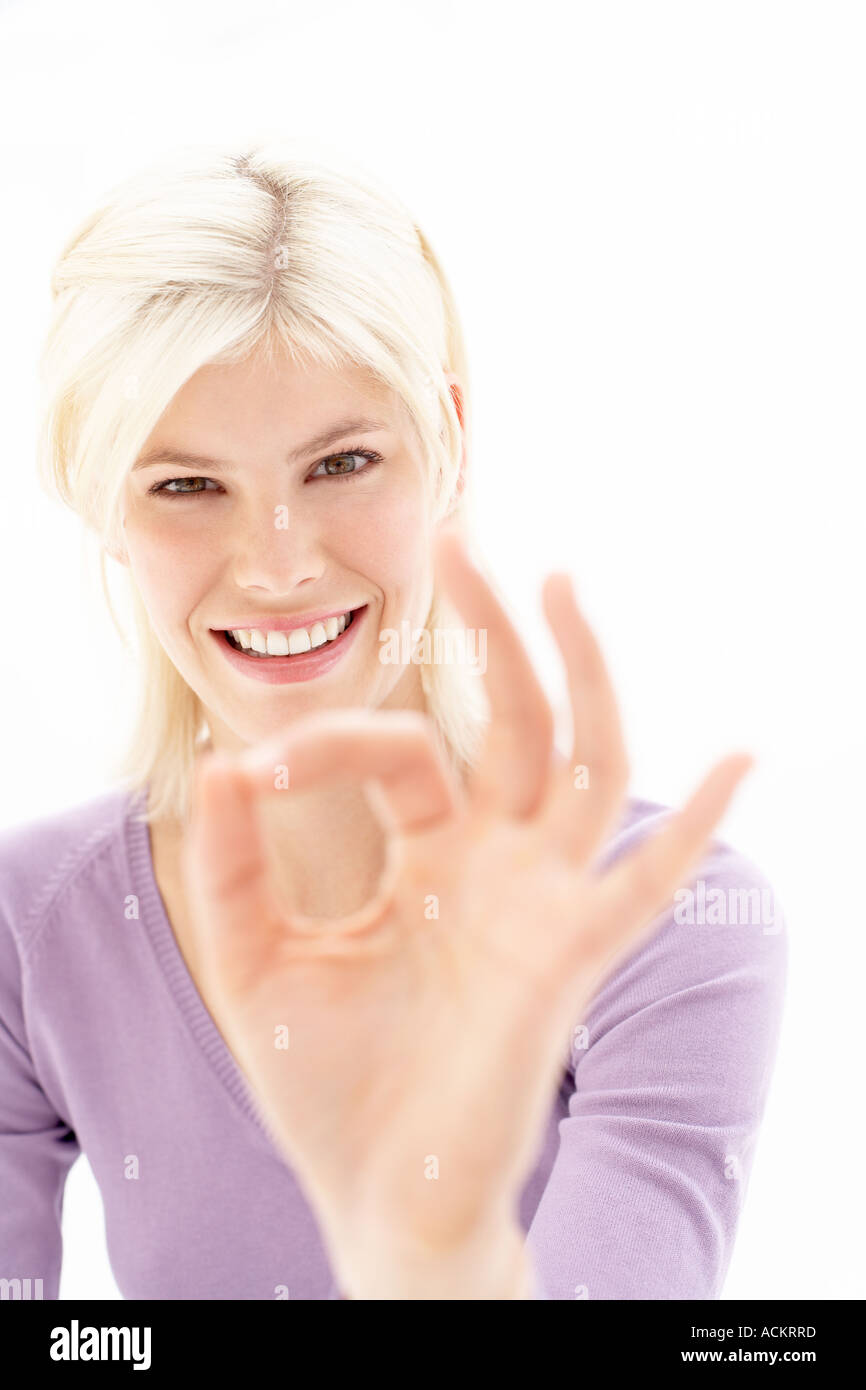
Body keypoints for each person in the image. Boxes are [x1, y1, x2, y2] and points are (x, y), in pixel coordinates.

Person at [0, 142, 787, 1301]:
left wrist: (423, 1252)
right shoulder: (34, 930)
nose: (276, 564)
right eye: (184, 485)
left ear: (449, 447)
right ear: (99, 504)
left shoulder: (660, 926)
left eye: (343, 462)